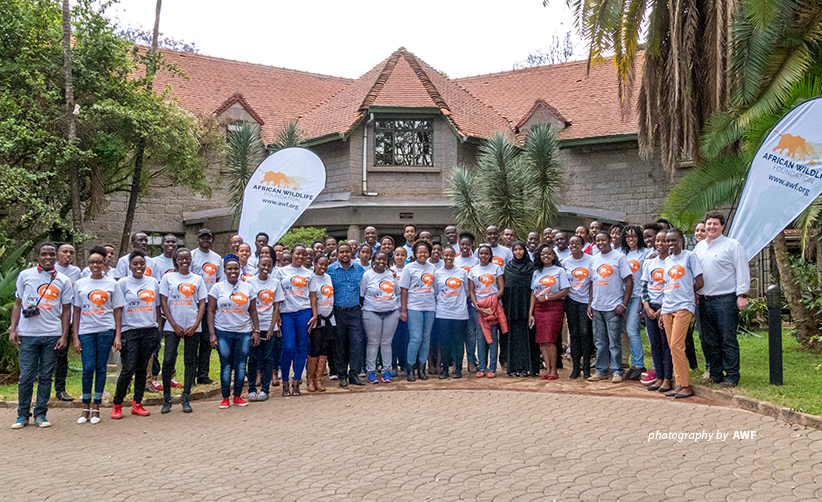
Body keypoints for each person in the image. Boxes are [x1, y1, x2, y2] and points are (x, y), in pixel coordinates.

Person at [10, 242, 72, 429]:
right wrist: (13, 329)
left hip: (52, 335)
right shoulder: (25, 275)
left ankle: (40, 414)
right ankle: (22, 415)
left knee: (46, 376)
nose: (48, 257)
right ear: (37, 256)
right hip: (28, 334)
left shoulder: (63, 280)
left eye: (51, 254)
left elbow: (66, 310)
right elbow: (18, 303)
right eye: (44, 254)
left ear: (56, 257)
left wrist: (64, 335)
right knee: (26, 377)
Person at [694, 211, 749, 388]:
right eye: (709, 224)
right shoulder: (699, 247)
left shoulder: (732, 245)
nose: (711, 227)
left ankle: (732, 376)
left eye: (715, 224)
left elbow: (742, 270)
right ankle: (715, 373)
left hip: (725, 299)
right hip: (703, 299)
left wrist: (742, 295)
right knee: (709, 339)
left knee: (727, 339)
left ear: (722, 226)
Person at [73, 246, 123, 424]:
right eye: (92, 262)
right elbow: (76, 311)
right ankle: (85, 406)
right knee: (88, 368)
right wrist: (75, 337)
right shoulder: (80, 284)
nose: (95, 265)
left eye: (99, 262)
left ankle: (96, 407)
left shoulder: (112, 284)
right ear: (88, 264)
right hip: (86, 331)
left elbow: (118, 311)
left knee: (101, 368)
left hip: (106, 330)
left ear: (104, 264)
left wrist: (118, 335)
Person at [112, 250, 161, 419]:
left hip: (149, 330)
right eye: (135, 264)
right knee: (128, 368)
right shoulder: (122, 283)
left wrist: (158, 330)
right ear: (129, 266)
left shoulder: (153, 282)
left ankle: (137, 404)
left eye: (141, 264)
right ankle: (117, 404)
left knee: (142, 369)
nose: (138, 267)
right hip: (129, 330)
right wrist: (118, 335)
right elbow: (117, 310)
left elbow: (157, 307)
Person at [158, 247, 207, 414]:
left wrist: (196, 324)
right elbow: (163, 301)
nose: (184, 262)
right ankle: (166, 398)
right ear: (176, 261)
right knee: (168, 360)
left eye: (187, 259)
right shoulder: (168, 277)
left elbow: (202, 303)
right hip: (172, 326)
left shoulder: (197, 279)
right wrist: (173, 324)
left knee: (190, 361)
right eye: (181, 259)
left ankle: (186, 396)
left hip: (192, 326)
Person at [208, 255, 260, 408]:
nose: (233, 271)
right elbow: (211, 311)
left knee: (241, 365)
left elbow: (253, 310)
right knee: (225, 365)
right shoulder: (217, 288)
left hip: (243, 331)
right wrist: (212, 334)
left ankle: (237, 396)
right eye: (229, 269)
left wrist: (256, 331)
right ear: (224, 271)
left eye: (236, 268)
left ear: (240, 270)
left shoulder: (248, 287)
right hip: (223, 331)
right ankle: (225, 397)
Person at [661, 229, 704, 399]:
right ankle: (679, 383)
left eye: (673, 240)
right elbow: (667, 283)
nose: (670, 244)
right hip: (668, 306)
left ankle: (686, 385)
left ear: (681, 240)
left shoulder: (690, 257)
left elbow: (699, 281)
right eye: (668, 241)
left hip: (684, 305)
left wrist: (687, 292)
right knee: (672, 346)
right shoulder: (667, 261)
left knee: (677, 345)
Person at [587, 232, 633, 383]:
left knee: (614, 342)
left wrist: (623, 303)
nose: (601, 243)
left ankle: (617, 371)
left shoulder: (619, 257)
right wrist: (590, 304)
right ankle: (601, 370)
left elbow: (629, 281)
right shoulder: (594, 260)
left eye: (603, 240)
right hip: (597, 307)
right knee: (600, 342)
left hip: (613, 307)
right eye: (598, 240)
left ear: (610, 241)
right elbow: (592, 282)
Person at [275, 245, 315, 396]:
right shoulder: (281, 272)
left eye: (303, 254)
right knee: (288, 347)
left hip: (304, 312)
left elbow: (312, 296)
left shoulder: (309, 273)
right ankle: (285, 381)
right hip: (286, 313)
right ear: (292, 254)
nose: (300, 256)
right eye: (298, 253)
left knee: (302, 347)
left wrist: (314, 315)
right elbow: (276, 294)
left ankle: (297, 381)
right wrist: (276, 314)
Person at [327, 242, 366, 387]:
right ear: (337, 254)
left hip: (354, 311)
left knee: (356, 343)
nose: (344, 254)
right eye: (341, 252)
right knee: (339, 344)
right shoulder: (330, 270)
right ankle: (342, 375)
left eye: (347, 252)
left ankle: (354, 374)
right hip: (338, 312)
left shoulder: (359, 269)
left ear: (351, 253)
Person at [245, 255, 284, 400]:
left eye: (269, 265)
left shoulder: (275, 283)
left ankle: (265, 390)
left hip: (269, 326)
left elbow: (276, 307)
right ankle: (251, 389)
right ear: (258, 265)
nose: (266, 268)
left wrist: (272, 328)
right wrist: (253, 328)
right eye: (263, 265)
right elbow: (248, 307)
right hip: (252, 327)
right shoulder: (249, 282)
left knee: (268, 358)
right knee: (253, 358)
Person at [529, 245, 571, 379]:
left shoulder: (559, 271)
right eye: (542, 254)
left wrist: (547, 297)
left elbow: (565, 291)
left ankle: (554, 370)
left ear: (553, 256)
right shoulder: (537, 272)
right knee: (542, 340)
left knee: (550, 339)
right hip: (539, 308)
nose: (545, 256)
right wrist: (530, 313)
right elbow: (533, 294)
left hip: (554, 307)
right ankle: (547, 369)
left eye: (548, 253)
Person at [641, 230, 673, 393]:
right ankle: (659, 376)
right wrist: (646, 306)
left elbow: (673, 287)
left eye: (664, 241)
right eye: (658, 241)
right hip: (650, 307)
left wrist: (662, 309)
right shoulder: (649, 262)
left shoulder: (672, 263)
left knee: (666, 343)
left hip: (665, 307)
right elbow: (644, 286)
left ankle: (667, 378)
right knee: (654, 343)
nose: (660, 244)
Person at [399, 240, 436, 381]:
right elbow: (404, 290)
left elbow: (435, 288)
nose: (422, 254)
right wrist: (403, 311)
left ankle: (422, 369)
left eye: (425, 252)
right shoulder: (409, 268)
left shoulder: (432, 268)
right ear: (415, 253)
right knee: (415, 338)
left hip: (430, 307)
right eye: (420, 252)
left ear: (429, 254)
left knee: (426, 339)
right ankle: (411, 369)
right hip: (414, 307)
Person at [360, 251, 399, 383]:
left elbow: (396, 292)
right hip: (372, 312)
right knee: (373, 342)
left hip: (391, 312)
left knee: (387, 343)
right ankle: (371, 371)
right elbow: (362, 294)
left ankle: (386, 371)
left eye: (384, 260)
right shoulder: (367, 275)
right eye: (378, 259)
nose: (381, 262)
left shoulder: (391, 274)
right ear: (373, 260)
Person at [191, 228, 223, 385]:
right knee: (192, 341)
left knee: (206, 340)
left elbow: (218, 279)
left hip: (210, 303)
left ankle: (203, 375)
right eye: (203, 238)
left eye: (208, 238)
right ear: (198, 239)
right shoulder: (191, 255)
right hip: (194, 303)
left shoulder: (217, 258)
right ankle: (190, 375)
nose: (205, 240)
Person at [469, 245, 505, 378]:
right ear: (478, 255)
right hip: (478, 309)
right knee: (481, 337)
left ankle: (492, 369)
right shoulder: (473, 270)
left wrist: (492, 302)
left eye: (486, 253)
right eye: (481, 253)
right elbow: (472, 291)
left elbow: (501, 289)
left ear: (490, 255)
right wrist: (477, 306)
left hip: (493, 308)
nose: (483, 256)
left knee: (493, 338)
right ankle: (482, 367)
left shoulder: (496, 268)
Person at [433, 246, 469, 379]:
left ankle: (458, 369)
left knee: (459, 342)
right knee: (444, 342)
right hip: (443, 312)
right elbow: (436, 291)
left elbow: (466, 290)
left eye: (451, 255)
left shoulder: (462, 272)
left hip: (460, 312)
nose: (449, 258)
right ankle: (445, 370)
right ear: (442, 256)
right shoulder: (437, 273)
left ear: (455, 256)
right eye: (446, 255)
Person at [504, 241, 539, 377]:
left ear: (525, 250)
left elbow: (533, 288)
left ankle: (527, 367)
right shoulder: (509, 267)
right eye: (515, 250)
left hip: (527, 307)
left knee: (527, 338)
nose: (518, 252)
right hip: (512, 308)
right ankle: (514, 367)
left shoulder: (531, 267)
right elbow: (507, 287)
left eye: (520, 249)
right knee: (514, 338)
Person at [562, 236, 594, 379]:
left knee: (585, 333)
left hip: (585, 301)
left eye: (577, 243)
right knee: (574, 334)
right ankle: (575, 368)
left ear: (582, 245)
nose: (574, 246)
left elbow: (592, 283)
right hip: (571, 301)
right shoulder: (565, 263)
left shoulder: (590, 260)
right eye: (571, 243)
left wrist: (590, 303)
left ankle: (586, 368)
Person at [620, 226, 648, 380]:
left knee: (632, 330)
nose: (630, 239)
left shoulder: (645, 253)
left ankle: (639, 364)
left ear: (639, 237)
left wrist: (643, 300)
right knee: (626, 331)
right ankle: (633, 364)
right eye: (628, 236)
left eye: (634, 236)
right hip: (623, 296)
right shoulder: (621, 254)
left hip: (637, 296)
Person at [53, 243, 80, 402]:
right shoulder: (51, 269)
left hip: (67, 321)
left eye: (71, 252)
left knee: (62, 356)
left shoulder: (76, 272)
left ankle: (60, 389)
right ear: (58, 254)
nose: (68, 255)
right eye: (64, 252)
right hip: (49, 320)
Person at [306, 255, 333, 391]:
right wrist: (314, 314)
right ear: (315, 264)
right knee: (315, 347)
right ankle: (310, 379)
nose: (323, 267)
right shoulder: (310, 278)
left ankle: (319, 379)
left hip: (329, 317)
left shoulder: (328, 278)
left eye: (326, 265)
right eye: (320, 264)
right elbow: (311, 297)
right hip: (316, 318)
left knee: (324, 348)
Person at [454, 232, 479, 372]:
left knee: (470, 333)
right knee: (457, 334)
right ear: (459, 245)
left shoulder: (476, 261)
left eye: (467, 244)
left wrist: (470, 296)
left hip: (471, 302)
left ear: (471, 246)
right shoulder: (455, 261)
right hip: (457, 302)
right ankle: (456, 362)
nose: (465, 247)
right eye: (462, 244)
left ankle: (471, 361)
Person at [390, 246, 408, 375]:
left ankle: (404, 364)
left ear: (406, 257)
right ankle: (393, 365)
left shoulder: (409, 270)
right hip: (393, 309)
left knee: (405, 338)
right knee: (393, 339)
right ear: (394, 256)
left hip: (406, 309)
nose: (400, 257)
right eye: (397, 255)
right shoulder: (390, 271)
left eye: (402, 255)